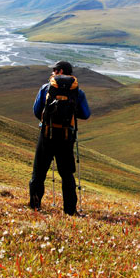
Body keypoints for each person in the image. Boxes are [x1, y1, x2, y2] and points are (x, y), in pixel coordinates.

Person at [29, 61, 91, 216]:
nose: (52, 72)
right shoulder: (78, 91)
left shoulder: (46, 88)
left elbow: (36, 110)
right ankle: (70, 211)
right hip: (66, 137)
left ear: (60, 71)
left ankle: (35, 206)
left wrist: (48, 120)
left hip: (46, 135)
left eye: (54, 70)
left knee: (39, 172)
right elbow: (86, 114)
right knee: (67, 174)